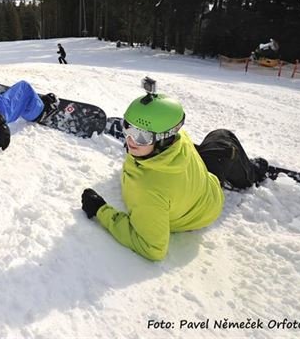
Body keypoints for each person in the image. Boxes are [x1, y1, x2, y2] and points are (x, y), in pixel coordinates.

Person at [80, 78, 266, 261]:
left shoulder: (149, 188)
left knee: (223, 140)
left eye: (141, 136)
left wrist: (99, 210)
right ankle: (245, 168)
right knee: (223, 140)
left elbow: (152, 249)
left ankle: (251, 176)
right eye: (127, 128)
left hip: (206, 202)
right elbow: (154, 248)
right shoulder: (172, 144)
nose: (129, 140)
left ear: (167, 137)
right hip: (192, 197)